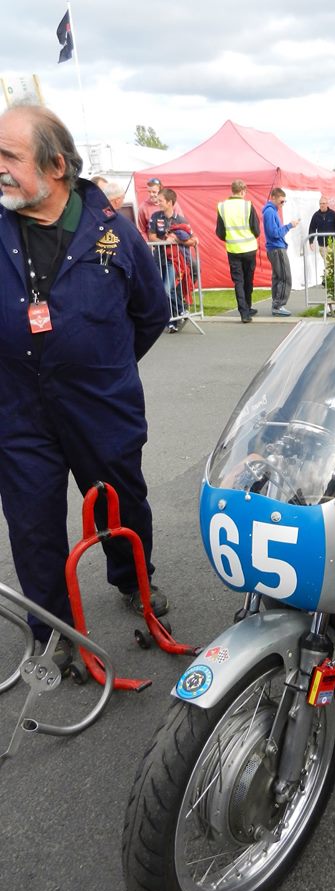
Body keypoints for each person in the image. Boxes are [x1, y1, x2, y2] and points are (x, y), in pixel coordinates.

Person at [0, 104, 170, 668]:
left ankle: (134, 583)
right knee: (33, 529)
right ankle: (53, 631)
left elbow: (150, 313)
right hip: (19, 411)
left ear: (54, 166)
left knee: (121, 508)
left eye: (8, 156)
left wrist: (105, 367)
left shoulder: (113, 233)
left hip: (101, 407)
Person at [148, 187, 198, 331]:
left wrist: (177, 239)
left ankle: (181, 311)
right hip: (159, 259)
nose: (158, 202)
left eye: (161, 200)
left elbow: (191, 239)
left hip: (174, 261)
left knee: (166, 290)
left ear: (170, 202)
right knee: (164, 291)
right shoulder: (156, 216)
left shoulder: (180, 219)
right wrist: (164, 242)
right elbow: (151, 236)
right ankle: (172, 321)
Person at [216, 179, 260, 323]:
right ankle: (248, 306)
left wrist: (230, 238)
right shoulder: (248, 205)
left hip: (233, 249)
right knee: (249, 280)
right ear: (242, 191)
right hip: (249, 248)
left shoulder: (222, 207)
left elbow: (220, 232)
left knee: (238, 281)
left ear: (232, 190)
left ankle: (244, 311)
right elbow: (256, 228)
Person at [262, 187, 299, 317]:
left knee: (278, 277)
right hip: (277, 248)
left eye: (284, 202)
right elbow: (274, 233)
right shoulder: (270, 213)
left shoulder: (271, 211)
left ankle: (277, 304)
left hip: (274, 248)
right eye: (281, 201)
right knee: (284, 277)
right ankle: (278, 305)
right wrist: (289, 226)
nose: (282, 204)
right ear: (273, 198)